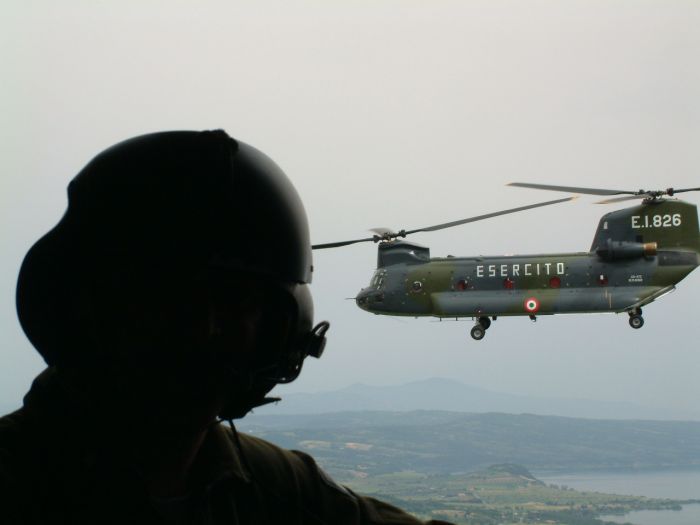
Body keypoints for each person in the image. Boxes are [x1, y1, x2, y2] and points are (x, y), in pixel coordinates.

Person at [0, 130, 452, 524]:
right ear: (90, 311)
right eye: (168, 299)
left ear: (282, 330)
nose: (203, 329)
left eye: (235, 301)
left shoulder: (277, 487)